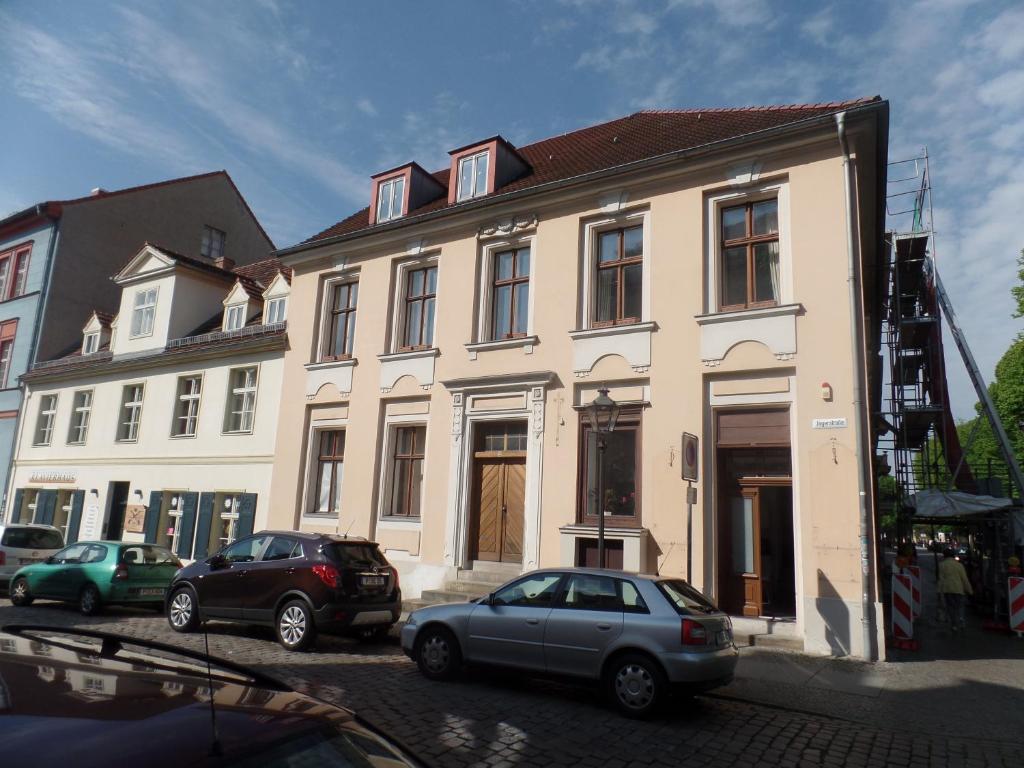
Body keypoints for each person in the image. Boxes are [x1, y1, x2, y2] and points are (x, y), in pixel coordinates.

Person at [937, 548, 973, 634]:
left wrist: (939, 591)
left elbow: (940, 579)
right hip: (958, 589)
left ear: (944, 556)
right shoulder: (959, 565)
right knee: (960, 606)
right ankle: (961, 619)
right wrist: (970, 590)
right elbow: (964, 579)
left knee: (951, 608)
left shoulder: (942, 565)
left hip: (947, 590)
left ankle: (954, 625)